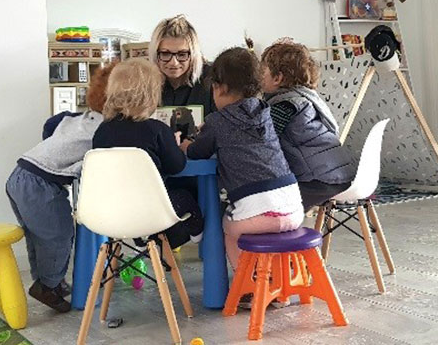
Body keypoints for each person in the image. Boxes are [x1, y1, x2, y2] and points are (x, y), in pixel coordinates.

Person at [6, 64, 115, 313]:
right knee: (58, 235)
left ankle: (48, 282)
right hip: (39, 183)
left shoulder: (81, 118)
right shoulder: (106, 129)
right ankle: (47, 285)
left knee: (40, 238)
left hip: (22, 173)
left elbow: (52, 122)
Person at [183, 47, 303, 271]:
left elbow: (196, 152)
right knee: (261, 229)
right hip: (294, 209)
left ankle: (247, 283)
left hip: (257, 214)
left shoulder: (217, 121)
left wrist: (186, 144)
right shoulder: (264, 112)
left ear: (221, 87)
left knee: (227, 227)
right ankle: (278, 283)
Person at [92, 58, 204, 249]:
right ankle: (196, 234)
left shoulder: (102, 131)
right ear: (152, 95)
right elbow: (177, 166)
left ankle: (147, 241)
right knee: (185, 196)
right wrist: (174, 145)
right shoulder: (157, 130)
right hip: (151, 212)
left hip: (111, 211)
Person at [260, 40, 358, 211]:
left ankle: (279, 234)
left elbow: (262, 139)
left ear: (277, 78)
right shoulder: (309, 100)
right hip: (337, 176)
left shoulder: (286, 105)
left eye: (263, 71)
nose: (259, 76)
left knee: (262, 205)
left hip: (317, 181)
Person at [150, 15, 215, 116]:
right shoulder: (145, 83)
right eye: (165, 54)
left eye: (182, 54)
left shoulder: (212, 79)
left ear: (193, 54)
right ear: (155, 54)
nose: (174, 62)